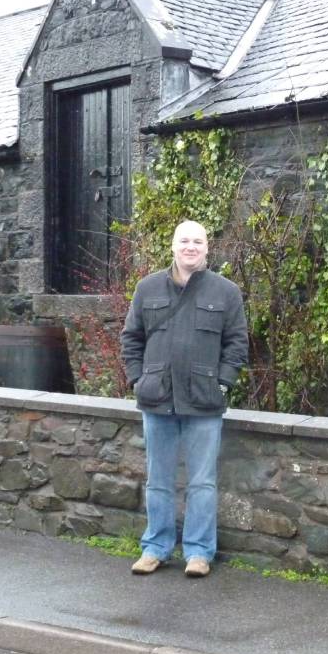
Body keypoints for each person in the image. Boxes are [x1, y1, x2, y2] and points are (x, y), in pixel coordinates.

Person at [120, 220, 248, 578]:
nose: (190, 247)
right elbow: (131, 339)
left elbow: (237, 344)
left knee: (202, 482)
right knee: (158, 480)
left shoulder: (226, 292)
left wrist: (222, 384)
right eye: (184, 241)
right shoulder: (147, 289)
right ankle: (155, 547)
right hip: (157, 399)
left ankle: (199, 552)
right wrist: (137, 380)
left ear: (208, 249)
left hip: (204, 402)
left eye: (198, 241)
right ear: (172, 246)